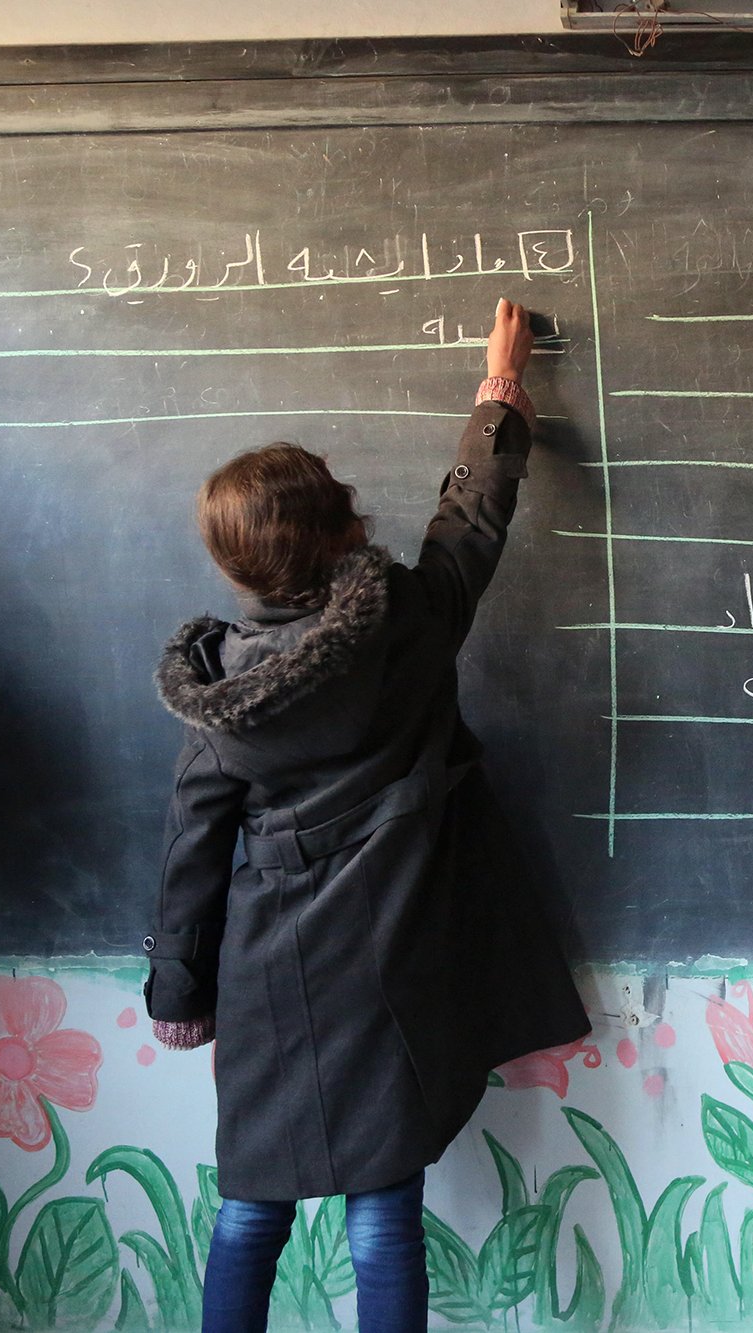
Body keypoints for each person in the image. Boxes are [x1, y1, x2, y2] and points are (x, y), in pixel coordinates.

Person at [142, 298, 590, 1333]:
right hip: (392, 961)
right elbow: (468, 526)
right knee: (382, 1219)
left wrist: (179, 988)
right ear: (343, 529)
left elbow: (190, 849)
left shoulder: (219, 702)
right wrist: (499, 392)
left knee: (251, 1213)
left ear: (234, 563)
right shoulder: (408, 628)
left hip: (267, 980)